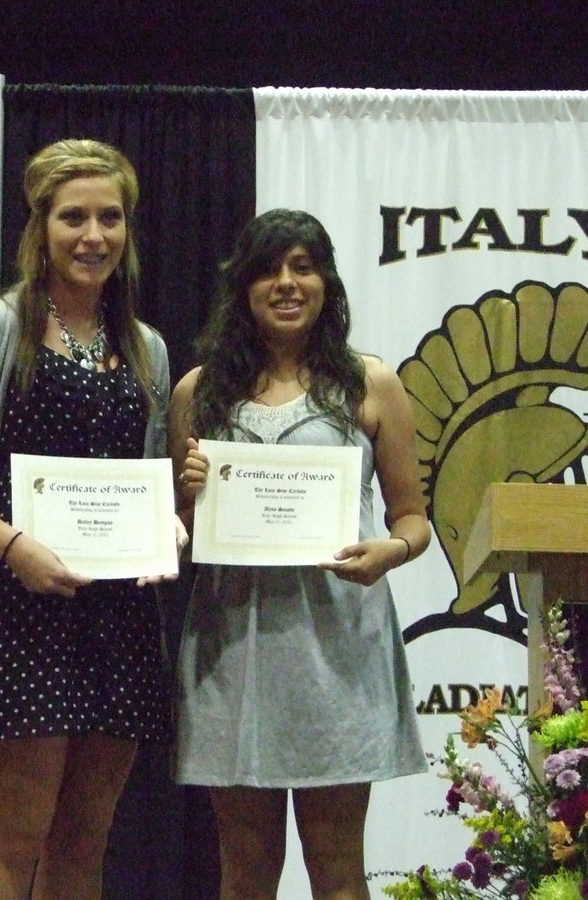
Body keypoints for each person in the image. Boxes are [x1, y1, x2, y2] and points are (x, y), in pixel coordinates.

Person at [0, 138, 180, 899]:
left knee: (86, 839)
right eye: (74, 217)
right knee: (15, 837)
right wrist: (12, 547)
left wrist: (169, 521)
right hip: (21, 609)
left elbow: (149, 476)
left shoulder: (147, 348)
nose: (92, 235)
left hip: (119, 617)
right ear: (40, 227)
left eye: (109, 217)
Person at [170, 208, 430, 900]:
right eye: (269, 269)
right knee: (246, 872)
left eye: (303, 267)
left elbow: (414, 519)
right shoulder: (197, 394)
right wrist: (186, 501)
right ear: (244, 288)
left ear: (326, 283)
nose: (287, 284)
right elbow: (174, 533)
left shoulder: (372, 384)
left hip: (338, 652)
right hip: (234, 655)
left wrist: (389, 551)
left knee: (338, 872)